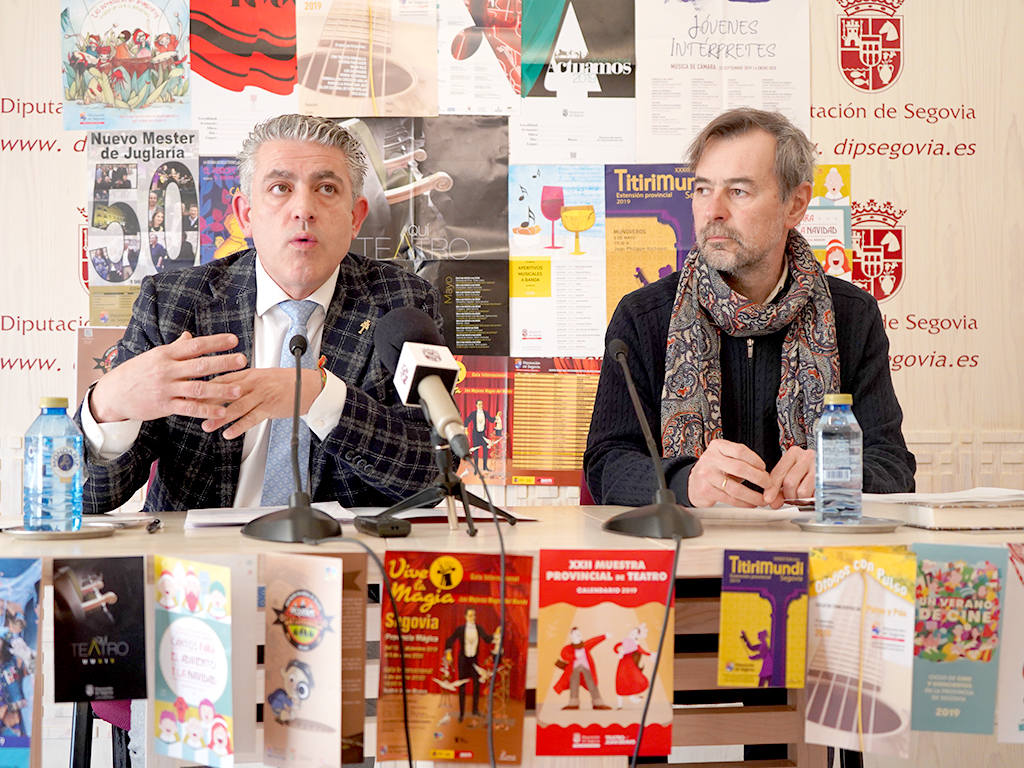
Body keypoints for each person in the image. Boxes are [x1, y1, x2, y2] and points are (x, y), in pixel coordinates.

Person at [76, 114, 443, 512]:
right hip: (200, 563)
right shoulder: (173, 304)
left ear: (355, 217)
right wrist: (108, 406)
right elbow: (89, 498)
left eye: (326, 188)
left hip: (345, 559)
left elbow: (435, 474)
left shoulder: (404, 302)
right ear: (246, 214)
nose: (303, 208)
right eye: (280, 188)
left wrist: (322, 398)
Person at [585, 108, 915, 508]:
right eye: (703, 189)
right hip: (689, 559)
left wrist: (840, 472)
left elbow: (893, 466)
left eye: (738, 191)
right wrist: (684, 482)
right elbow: (607, 463)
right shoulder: (643, 316)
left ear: (795, 205)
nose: (713, 211)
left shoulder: (852, 315)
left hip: (811, 557)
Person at [444, 607, 493, 722]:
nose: (473, 618)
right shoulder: (461, 629)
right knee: (462, 686)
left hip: (474, 660)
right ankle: (461, 713)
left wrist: (496, 635)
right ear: (466, 617)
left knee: (477, 685)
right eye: (471, 616)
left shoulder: (479, 628)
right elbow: (449, 640)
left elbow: (486, 639)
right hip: (463, 660)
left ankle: (475, 710)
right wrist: (448, 653)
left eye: (474, 615)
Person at [463, 399, 495, 472]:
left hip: (483, 434)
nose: (481, 406)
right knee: (476, 451)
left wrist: (496, 417)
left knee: (485, 450)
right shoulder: (473, 414)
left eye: (482, 404)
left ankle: (485, 467)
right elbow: (466, 421)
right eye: (479, 404)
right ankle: (476, 468)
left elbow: (491, 420)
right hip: (476, 434)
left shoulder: (485, 413)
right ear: (476, 405)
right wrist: (466, 429)